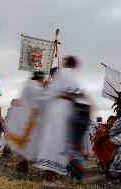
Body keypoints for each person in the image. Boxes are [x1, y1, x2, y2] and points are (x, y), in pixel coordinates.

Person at [35, 56, 90, 186]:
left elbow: (48, 96)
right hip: (64, 112)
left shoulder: (61, 75)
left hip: (56, 110)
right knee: (59, 145)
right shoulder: (69, 74)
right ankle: (50, 179)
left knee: (55, 144)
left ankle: (50, 177)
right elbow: (79, 96)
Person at [6, 71, 45, 173]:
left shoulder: (28, 85)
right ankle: (23, 165)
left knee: (22, 141)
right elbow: (41, 101)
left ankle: (22, 164)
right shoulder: (36, 86)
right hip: (31, 117)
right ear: (40, 79)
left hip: (22, 116)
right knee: (29, 140)